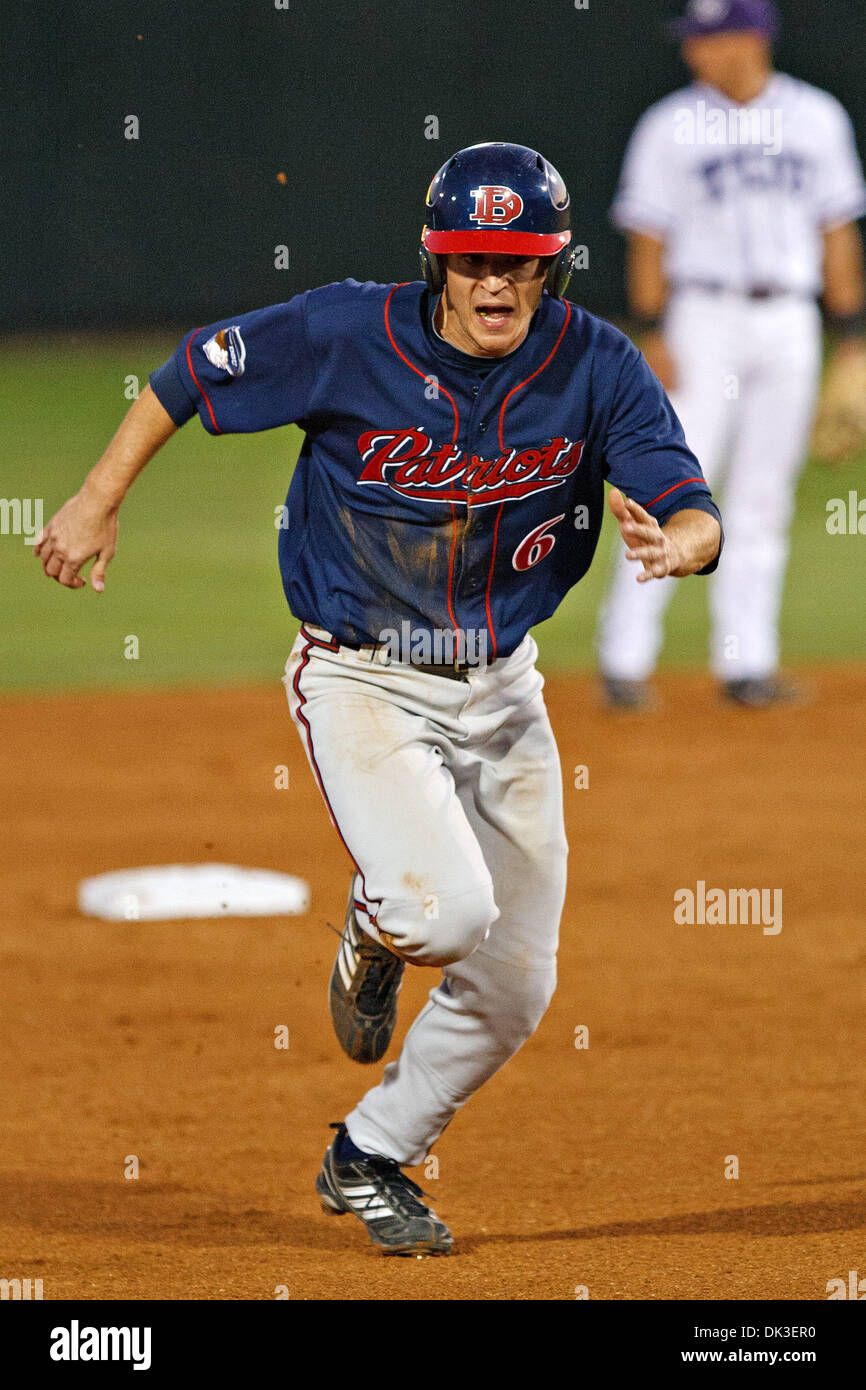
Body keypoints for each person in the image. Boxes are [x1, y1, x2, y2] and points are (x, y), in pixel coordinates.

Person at [35, 142, 722, 1255]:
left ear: (552, 268)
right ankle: (374, 923)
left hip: (502, 687)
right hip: (362, 673)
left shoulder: (593, 363)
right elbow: (191, 373)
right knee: (440, 913)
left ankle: (369, 1155)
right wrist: (94, 499)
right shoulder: (347, 331)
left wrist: (682, 541)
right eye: (470, 259)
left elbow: (683, 492)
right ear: (434, 259)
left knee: (516, 985)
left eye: (519, 262)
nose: (493, 284)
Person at [597, 0, 866, 709]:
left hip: (789, 318)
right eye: (693, 42)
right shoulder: (666, 126)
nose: (695, 54)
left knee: (763, 495)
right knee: (669, 482)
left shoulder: (817, 117)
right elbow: (647, 238)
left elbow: (837, 232)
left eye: (709, 41)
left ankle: (746, 663)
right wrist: (652, 332)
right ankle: (624, 661)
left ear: (752, 39)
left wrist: (854, 340)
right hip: (701, 315)